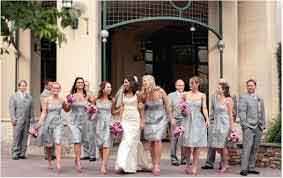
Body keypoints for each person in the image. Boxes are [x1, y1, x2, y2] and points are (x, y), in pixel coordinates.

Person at [140, 74, 176, 176]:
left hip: (161, 118)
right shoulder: (143, 94)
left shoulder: (160, 91)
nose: (144, 83)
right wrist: (142, 120)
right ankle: (153, 161)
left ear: (151, 81)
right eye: (143, 81)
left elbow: (168, 105)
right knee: (151, 142)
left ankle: (157, 165)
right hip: (149, 119)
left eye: (145, 81)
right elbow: (141, 108)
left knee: (157, 140)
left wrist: (171, 118)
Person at [114, 75, 151, 173]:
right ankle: (122, 164)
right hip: (125, 120)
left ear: (131, 83)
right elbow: (122, 108)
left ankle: (133, 165)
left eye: (126, 82)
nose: (124, 84)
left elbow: (141, 108)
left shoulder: (137, 94)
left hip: (135, 120)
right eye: (124, 82)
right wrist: (119, 121)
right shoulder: (123, 94)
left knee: (133, 142)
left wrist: (142, 121)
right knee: (126, 141)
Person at [182, 76, 209, 176]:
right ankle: (188, 164)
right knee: (188, 144)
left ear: (198, 84)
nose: (192, 85)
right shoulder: (185, 94)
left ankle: (194, 165)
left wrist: (207, 119)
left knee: (197, 144)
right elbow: (182, 106)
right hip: (187, 120)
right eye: (190, 83)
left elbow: (204, 108)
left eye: (194, 83)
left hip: (198, 120)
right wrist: (183, 110)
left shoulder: (202, 95)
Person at [63, 77, 90, 173]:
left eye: (82, 82)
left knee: (81, 140)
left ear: (83, 84)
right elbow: (66, 109)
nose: (80, 84)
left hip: (84, 121)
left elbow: (90, 108)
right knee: (77, 140)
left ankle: (76, 158)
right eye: (78, 82)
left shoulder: (87, 96)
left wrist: (91, 109)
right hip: (74, 122)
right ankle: (78, 161)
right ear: (75, 84)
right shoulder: (71, 96)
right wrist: (67, 104)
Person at [239, 79, 265, 176]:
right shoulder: (243, 97)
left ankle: (251, 167)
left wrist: (263, 124)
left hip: (258, 126)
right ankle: (244, 169)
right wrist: (244, 125)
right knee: (247, 147)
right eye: (248, 86)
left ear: (255, 86)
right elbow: (241, 112)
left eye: (252, 85)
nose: (250, 87)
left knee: (255, 148)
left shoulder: (259, 98)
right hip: (248, 126)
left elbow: (262, 112)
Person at [37, 82, 64, 173]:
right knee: (49, 145)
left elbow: (67, 109)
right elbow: (44, 112)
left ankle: (58, 163)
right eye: (54, 88)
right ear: (51, 89)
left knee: (58, 141)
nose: (56, 90)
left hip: (58, 123)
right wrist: (40, 123)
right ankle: (49, 161)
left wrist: (70, 103)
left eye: (57, 88)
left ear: (60, 89)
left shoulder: (62, 99)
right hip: (48, 123)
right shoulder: (46, 99)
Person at [208, 82, 234, 173]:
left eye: (219, 88)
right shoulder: (216, 99)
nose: (217, 89)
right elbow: (213, 111)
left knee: (223, 146)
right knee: (218, 146)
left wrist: (232, 127)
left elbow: (231, 115)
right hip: (216, 123)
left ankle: (225, 164)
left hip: (225, 124)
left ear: (223, 90)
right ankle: (223, 161)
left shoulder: (229, 100)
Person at [9, 80, 35, 160]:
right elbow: (12, 108)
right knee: (17, 136)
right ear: (19, 86)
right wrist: (13, 118)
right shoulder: (14, 96)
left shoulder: (29, 97)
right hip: (18, 119)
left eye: (25, 86)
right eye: (22, 86)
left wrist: (32, 120)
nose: (23, 87)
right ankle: (15, 153)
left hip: (26, 120)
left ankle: (22, 153)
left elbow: (31, 109)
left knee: (25, 137)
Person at [95, 81, 114, 174]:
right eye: (108, 87)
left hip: (108, 124)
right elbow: (92, 111)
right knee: (100, 145)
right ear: (103, 89)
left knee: (107, 143)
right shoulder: (96, 100)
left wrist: (121, 109)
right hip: (99, 124)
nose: (110, 89)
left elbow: (113, 112)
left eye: (110, 87)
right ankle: (104, 162)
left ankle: (103, 165)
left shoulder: (112, 100)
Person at [168, 79, 187, 166]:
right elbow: (169, 108)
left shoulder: (187, 95)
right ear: (176, 86)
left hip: (184, 119)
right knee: (174, 139)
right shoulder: (171, 95)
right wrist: (171, 119)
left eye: (182, 85)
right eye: (179, 85)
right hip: (175, 119)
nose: (181, 87)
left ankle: (184, 159)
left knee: (184, 139)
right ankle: (173, 158)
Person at [81, 80, 96, 161]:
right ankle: (86, 153)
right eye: (84, 85)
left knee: (91, 136)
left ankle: (92, 155)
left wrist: (88, 97)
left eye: (87, 85)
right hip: (82, 116)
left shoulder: (91, 93)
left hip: (90, 116)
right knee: (84, 136)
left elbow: (93, 103)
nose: (85, 87)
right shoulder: (80, 94)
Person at [40, 80, 56, 160]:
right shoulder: (44, 95)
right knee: (47, 136)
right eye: (50, 85)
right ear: (46, 86)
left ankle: (52, 153)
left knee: (53, 136)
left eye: (53, 85)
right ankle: (47, 154)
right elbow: (44, 108)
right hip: (47, 118)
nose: (52, 86)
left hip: (54, 118)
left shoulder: (52, 93)